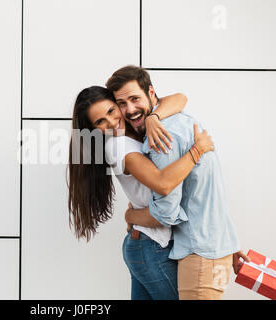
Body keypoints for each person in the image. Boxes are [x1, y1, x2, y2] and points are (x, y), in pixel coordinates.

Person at [106, 65, 249, 300]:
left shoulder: (160, 136)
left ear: (152, 94)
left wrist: (130, 216)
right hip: (211, 247)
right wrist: (226, 242)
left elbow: (166, 213)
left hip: (200, 253)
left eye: (135, 99)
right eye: (122, 103)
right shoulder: (182, 120)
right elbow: (208, 194)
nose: (130, 109)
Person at [67, 85, 214, 299]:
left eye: (111, 111)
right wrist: (198, 150)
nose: (110, 122)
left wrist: (154, 117)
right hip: (153, 248)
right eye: (100, 122)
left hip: (145, 243)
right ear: (93, 130)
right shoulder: (118, 147)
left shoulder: (137, 131)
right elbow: (162, 184)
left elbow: (180, 98)